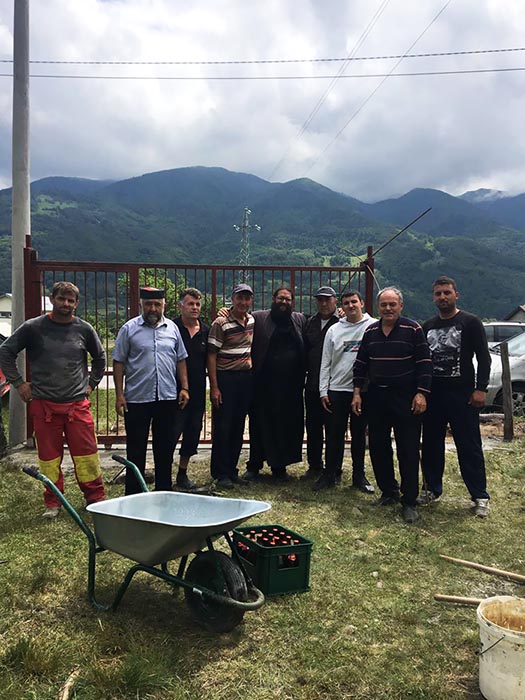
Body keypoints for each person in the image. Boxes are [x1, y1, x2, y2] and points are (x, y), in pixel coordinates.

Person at [0, 281, 106, 518]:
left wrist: (90, 384)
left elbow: (100, 359)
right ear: (52, 299)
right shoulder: (33, 328)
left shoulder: (84, 329)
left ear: (76, 304)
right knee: (49, 458)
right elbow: (5, 351)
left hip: (77, 405)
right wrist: (19, 383)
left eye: (70, 301)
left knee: (87, 456)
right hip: (44, 405)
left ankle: (95, 499)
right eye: (61, 299)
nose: (65, 304)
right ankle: (53, 502)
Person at [352, 287, 432, 523]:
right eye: (384, 305)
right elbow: (361, 364)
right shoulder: (371, 331)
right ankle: (388, 491)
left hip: (405, 396)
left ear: (401, 306)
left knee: (408, 448)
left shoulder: (413, 329)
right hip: (377, 396)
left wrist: (421, 393)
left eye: (392, 304)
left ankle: (409, 501)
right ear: (378, 307)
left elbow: (424, 362)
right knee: (378, 446)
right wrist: (357, 392)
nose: (388, 308)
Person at [419, 276, 491, 517]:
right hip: (434, 396)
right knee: (431, 444)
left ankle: (480, 495)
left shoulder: (470, 322)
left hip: (463, 395)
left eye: (447, 292)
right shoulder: (428, 326)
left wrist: (481, 388)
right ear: (433, 297)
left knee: (469, 445)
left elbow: (484, 357)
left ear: (456, 295)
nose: (443, 297)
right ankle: (431, 489)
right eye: (438, 293)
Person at [113, 287, 189, 494]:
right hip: (137, 398)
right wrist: (119, 395)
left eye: (157, 304)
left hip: (167, 397)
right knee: (136, 448)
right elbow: (118, 362)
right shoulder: (129, 329)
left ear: (164, 305)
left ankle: (164, 490)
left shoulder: (172, 328)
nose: (153, 308)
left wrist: (184, 387)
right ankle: (134, 493)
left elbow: (180, 359)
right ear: (141, 305)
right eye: (148, 304)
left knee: (164, 447)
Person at [243, 286, 306, 482]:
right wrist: (224, 311)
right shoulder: (259, 317)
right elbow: (240, 317)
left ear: (292, 302)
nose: (284, 302)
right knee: (259, 425)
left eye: (288, 299)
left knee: (284, 426)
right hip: (263, 385)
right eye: (280, 298)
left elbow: (320, 325)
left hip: (290, 387)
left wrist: (340, 313)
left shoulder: (299, 319)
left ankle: (279, 467)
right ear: (273, 299)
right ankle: (254, 465)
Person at [317, 290, 376, 492]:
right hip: (337, 389)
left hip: (363, 391)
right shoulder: (334, 330)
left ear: (362, 303)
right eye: (346, 303)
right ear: (341, 306)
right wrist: (323, 391)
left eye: (354, 302)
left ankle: (359, 477)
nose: (351, 306)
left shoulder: (372, 326)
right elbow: (325, 362)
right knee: (334, 435)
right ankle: (330, 474)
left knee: (359, 435)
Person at [207, 284, 254, 489]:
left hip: (245, 379)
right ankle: (220, 473)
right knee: (223, 427)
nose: (243, 302)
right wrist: (214, 387)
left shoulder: (251, 320)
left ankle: (232, 470)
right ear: (232, 299)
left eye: (247, 298)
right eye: (239, 298)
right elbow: (211, 355)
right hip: (225, 379)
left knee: (238, 426)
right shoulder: (221, 322)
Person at [172, 288, 209, 491]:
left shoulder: (206, 330)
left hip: (197, 391)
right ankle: (163, 474)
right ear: (181, 306)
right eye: (190, 304)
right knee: (171, 432)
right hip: (173, 391)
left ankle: (182, 474)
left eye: (197, 304)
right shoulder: (172, 328)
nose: (194, 308)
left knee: (192, 432)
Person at [303, 286, 340, 480]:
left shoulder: (342, 322)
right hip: (312, 384)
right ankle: (315, 466)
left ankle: (334, 469)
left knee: (334, 429)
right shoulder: (310, 322)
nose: (324, 303)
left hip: (334, 385)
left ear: (335, 301)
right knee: (313, 427)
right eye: (320, 300)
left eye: (328, 299)